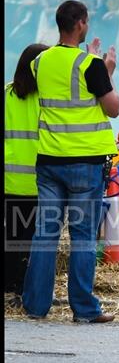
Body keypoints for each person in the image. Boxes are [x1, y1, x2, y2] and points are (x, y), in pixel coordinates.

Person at [23, 0, 119, 323]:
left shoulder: (40, 62)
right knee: (82, 236)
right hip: (85, 162)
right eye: (86, 22)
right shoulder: (89, 65)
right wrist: (107, 71)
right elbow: (112, 108)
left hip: (49, 160)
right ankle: (84, 309)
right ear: (80, 24)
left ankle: (35, 306)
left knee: (44, 233)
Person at [5, 43, 49, 298]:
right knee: (29, 240)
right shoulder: (47, 100)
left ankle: (8, 284)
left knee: (10, 234)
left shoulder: (5, 94)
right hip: (37, 181)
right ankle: (23, 288)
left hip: (8, 179)